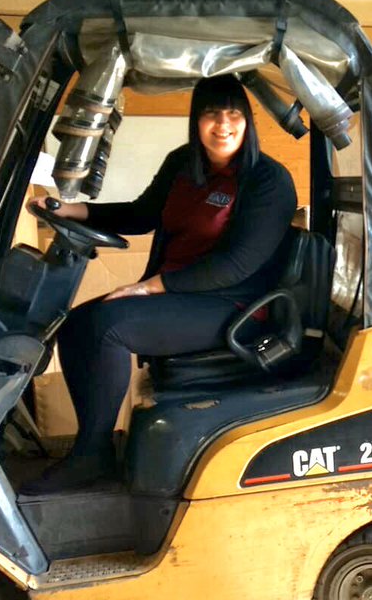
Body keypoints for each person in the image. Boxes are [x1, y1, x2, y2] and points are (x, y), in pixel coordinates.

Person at [21, 74, 297, 494]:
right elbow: (142, 213)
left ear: (248, 121)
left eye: (233, 114)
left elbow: (238, 264)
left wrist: (153, 287)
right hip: (184, 294)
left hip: (237, 306)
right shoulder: (183, 164)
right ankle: (91, 447)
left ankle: (91, 457)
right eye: (211, 113)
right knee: (77, 323)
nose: (222, 125)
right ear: (195, 119)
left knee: (109, 327)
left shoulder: (267, 180)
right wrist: (76, 211)